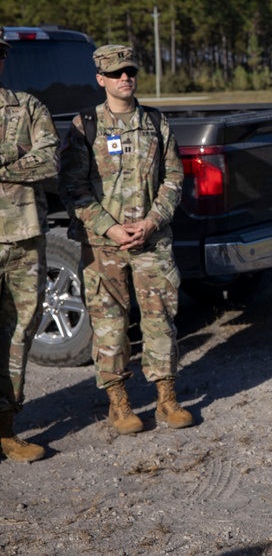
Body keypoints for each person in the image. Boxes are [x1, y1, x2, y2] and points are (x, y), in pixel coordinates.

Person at [59, 44, 192, 435]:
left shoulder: (155, 122)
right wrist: (110, 228)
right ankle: (119, 404)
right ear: (100, 79)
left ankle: (167, 399)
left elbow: (173, 178)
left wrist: (152, 222)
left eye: (129, 71)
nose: (125, 78)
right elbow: (73, 189)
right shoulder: (86, 125)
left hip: (152, 240)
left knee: (160, 320)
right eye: (116, 73)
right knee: (110, 324)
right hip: (105, 245)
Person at [0, 28, 59, 462]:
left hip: (22, 235)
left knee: (19, 331)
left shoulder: (28, 107)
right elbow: (30, 160)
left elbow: (49, 160)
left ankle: (5, 427)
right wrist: (17, 163)